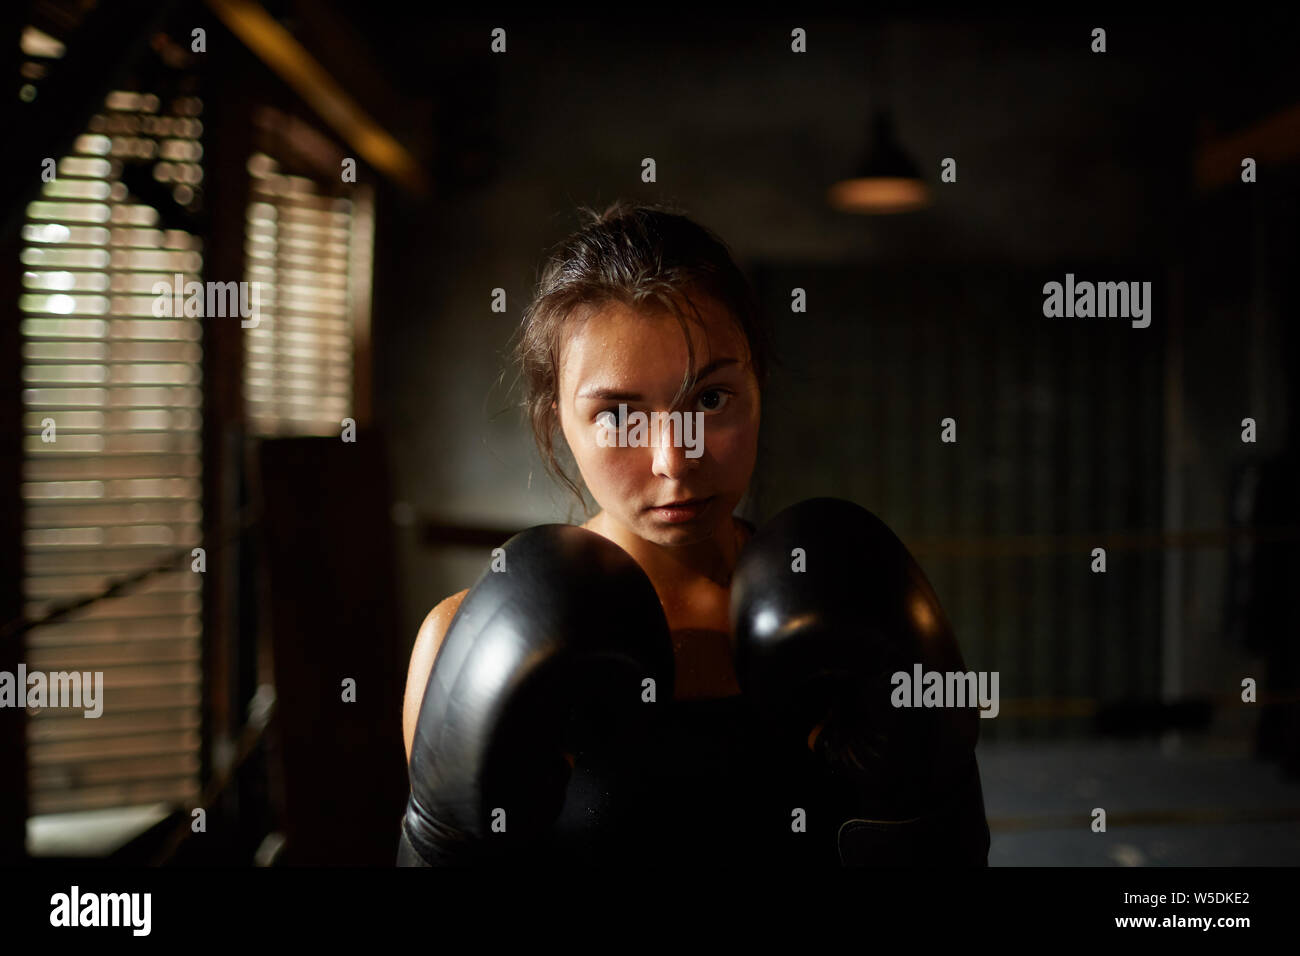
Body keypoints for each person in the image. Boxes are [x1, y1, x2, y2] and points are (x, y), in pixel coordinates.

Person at [398, 201, 989, 865]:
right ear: (558, 417)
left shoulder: (859, 613)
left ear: (759, 388)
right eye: (618, 414)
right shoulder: (462, 643)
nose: (674, 461)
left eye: (709, 400)